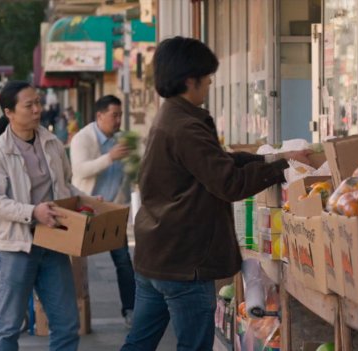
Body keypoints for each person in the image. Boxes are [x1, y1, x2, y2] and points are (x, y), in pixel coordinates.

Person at [121, 36, 311, 351]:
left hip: (156, 253)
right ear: (189, 80)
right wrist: (279, 169)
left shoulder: (172, 117)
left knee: (138, 343)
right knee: (192, 346)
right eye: (207, 77)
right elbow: (229, 183)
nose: (210, 83)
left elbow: (216, 162)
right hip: (183, 260)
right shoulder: (185, 126)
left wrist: (270, 159)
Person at [0, 81, 89, 351]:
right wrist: (32, 212)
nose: (37, 109)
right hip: (17, 248)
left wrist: (84, 200)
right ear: (9, 113)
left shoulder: (51, 143)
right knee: (8, 328)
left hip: (54, 243)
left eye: (38, 102)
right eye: (29, 105)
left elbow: (64, 183)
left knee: (66, 324)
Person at [69, 95, 136, 328]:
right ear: (99, 116)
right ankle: (71, 312)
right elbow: (79, 170)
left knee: (124, 262)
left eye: (120, 115)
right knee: (73, 264)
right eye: (114, 115)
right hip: (84, 211)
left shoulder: (120, 140)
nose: (118, 120)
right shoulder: (83, 139)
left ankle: (130, 310)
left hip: (110, 213)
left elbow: (126, 176)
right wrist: (109, 157)